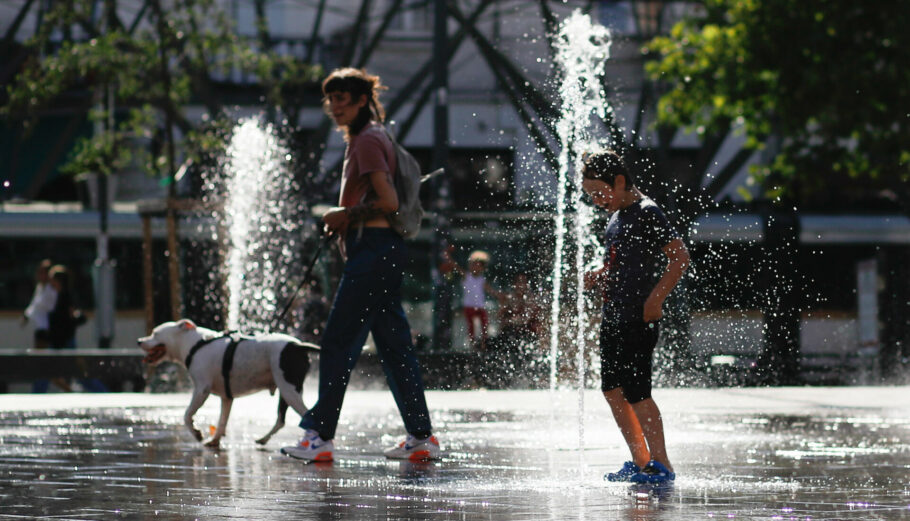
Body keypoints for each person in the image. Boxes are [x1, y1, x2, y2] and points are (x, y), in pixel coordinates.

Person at [281, 68, 438, 462]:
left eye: (343, 99)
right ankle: (421, 437)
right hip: (383, 252)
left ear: (362, 101)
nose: (335, 107)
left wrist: (344, 215)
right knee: (395, 347)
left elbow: (388, 202)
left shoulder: (367, 140)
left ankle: (318, 437)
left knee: (338, 342)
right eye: (330, 99)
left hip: (372, 253)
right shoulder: (373, 136)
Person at [580, 150, 689, 484]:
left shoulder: (647, 211)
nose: (597, 201)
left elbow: (679, 257)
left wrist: (655, 301)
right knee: (613, 390)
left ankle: (662, 463)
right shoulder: (616, 216)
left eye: (600, 192)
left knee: (638, 392)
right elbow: (624, 260)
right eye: (590, 196)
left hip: (639, 318)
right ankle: (641, 461)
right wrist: (601, 272)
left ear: (621, 181)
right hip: (613, 315)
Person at [444, 248, 502, 351]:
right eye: (474, 265)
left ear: (483, 268)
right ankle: (472, 345)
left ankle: (484, 344)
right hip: (469, 306)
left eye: (479, 266)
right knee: (471, 327)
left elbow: (491, 291)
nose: (476, 268)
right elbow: (455, 266)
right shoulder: (467, 276)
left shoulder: (481, 279)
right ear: (470, 266)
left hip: (479, 306)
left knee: (485, 324)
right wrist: (448, 257)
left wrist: (500, 296)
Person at [22, 259, 55, 350]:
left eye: (43, 272)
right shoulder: (39, 287)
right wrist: (26, 314)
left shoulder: (53, 289)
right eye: (39, 272)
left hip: (50, 329)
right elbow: (34, 304)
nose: (40, 275)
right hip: (39, 327)